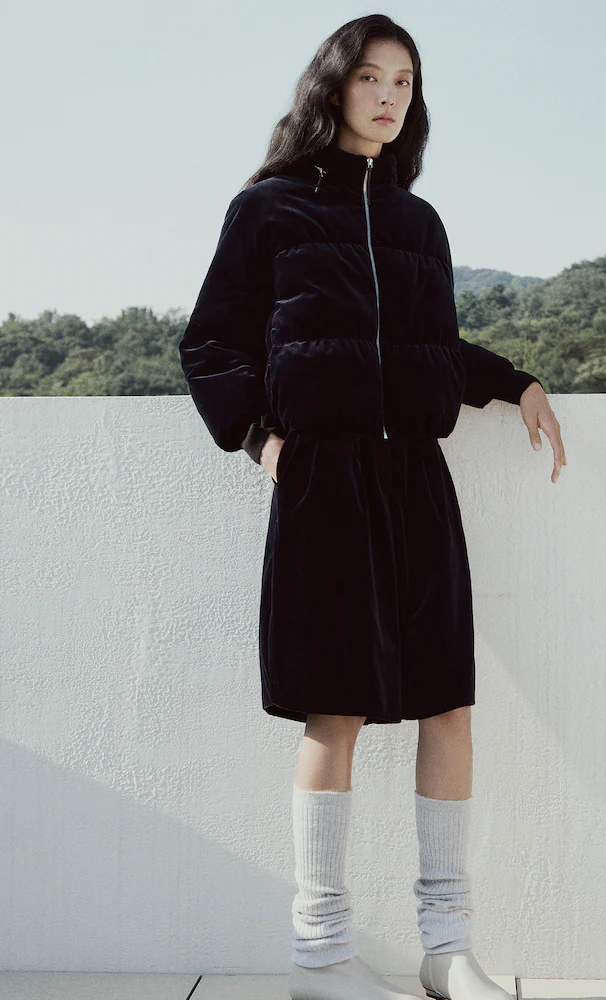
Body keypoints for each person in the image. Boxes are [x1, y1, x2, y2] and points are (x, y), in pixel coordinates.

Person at [179, 14, 566, 1000]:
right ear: (334, 88)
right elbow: (212, 343)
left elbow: (432, 348)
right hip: (325, 481)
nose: (389, 95)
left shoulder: (415, 220)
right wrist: (264, 442)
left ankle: (447, 947)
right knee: (334, 709)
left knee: (449, 703)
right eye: (370, 77)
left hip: (414, 483)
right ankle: (320, 958)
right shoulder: (266, 208)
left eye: (404, 80)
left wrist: (513, 381)